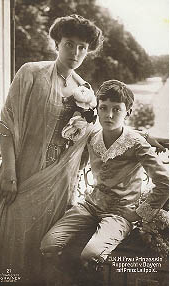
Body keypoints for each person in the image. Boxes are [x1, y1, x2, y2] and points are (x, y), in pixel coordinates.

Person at [0, 14, 103, 286]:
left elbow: (93, 139)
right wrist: (9, 172)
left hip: (58, 185)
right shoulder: (31, 72)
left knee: (44, 250)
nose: (75, 52)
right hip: (22, 174)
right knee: (13, 243)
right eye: (69, 44)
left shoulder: (86, 92)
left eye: (82, 47)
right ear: (57, 43)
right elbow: (7, 124)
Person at [41, 80, 169, 286]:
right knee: (49, 245)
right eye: (104, 108)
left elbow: (165, 182)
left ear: (128, 112)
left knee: (90, 254)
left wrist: (139, 213)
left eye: (116, 109)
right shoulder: (92, 136)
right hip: (90, 205)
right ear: (97, 110)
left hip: (120, 212)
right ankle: (79, 281)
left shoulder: (136, 144)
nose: (109, 115)